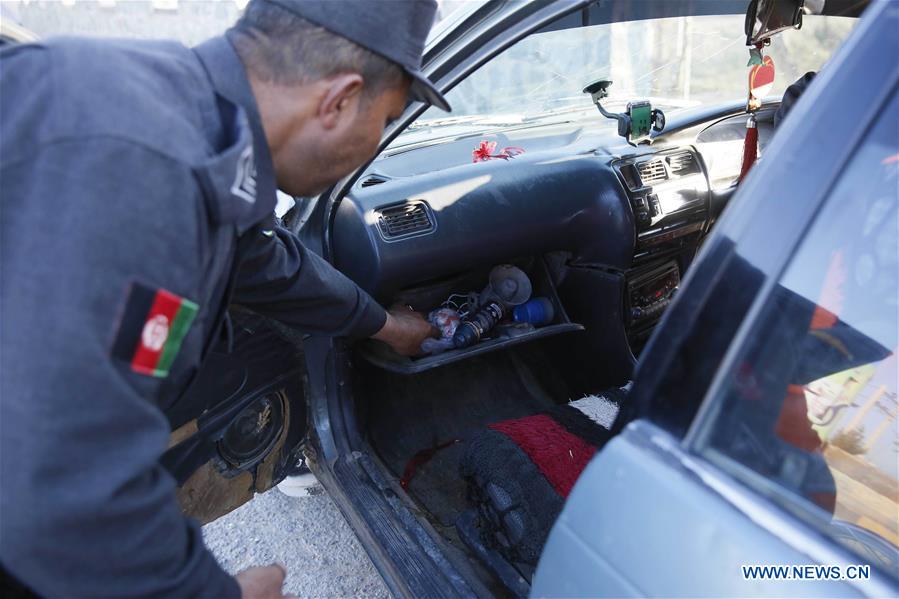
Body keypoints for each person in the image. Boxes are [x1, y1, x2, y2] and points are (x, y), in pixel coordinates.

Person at [0, 1, 449, 597]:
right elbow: (61, 477)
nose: (377, 143)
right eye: (387, 119)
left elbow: (264, 262)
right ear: (339, 100)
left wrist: (382, 325)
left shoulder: (191, 122)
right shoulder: (144, 171)